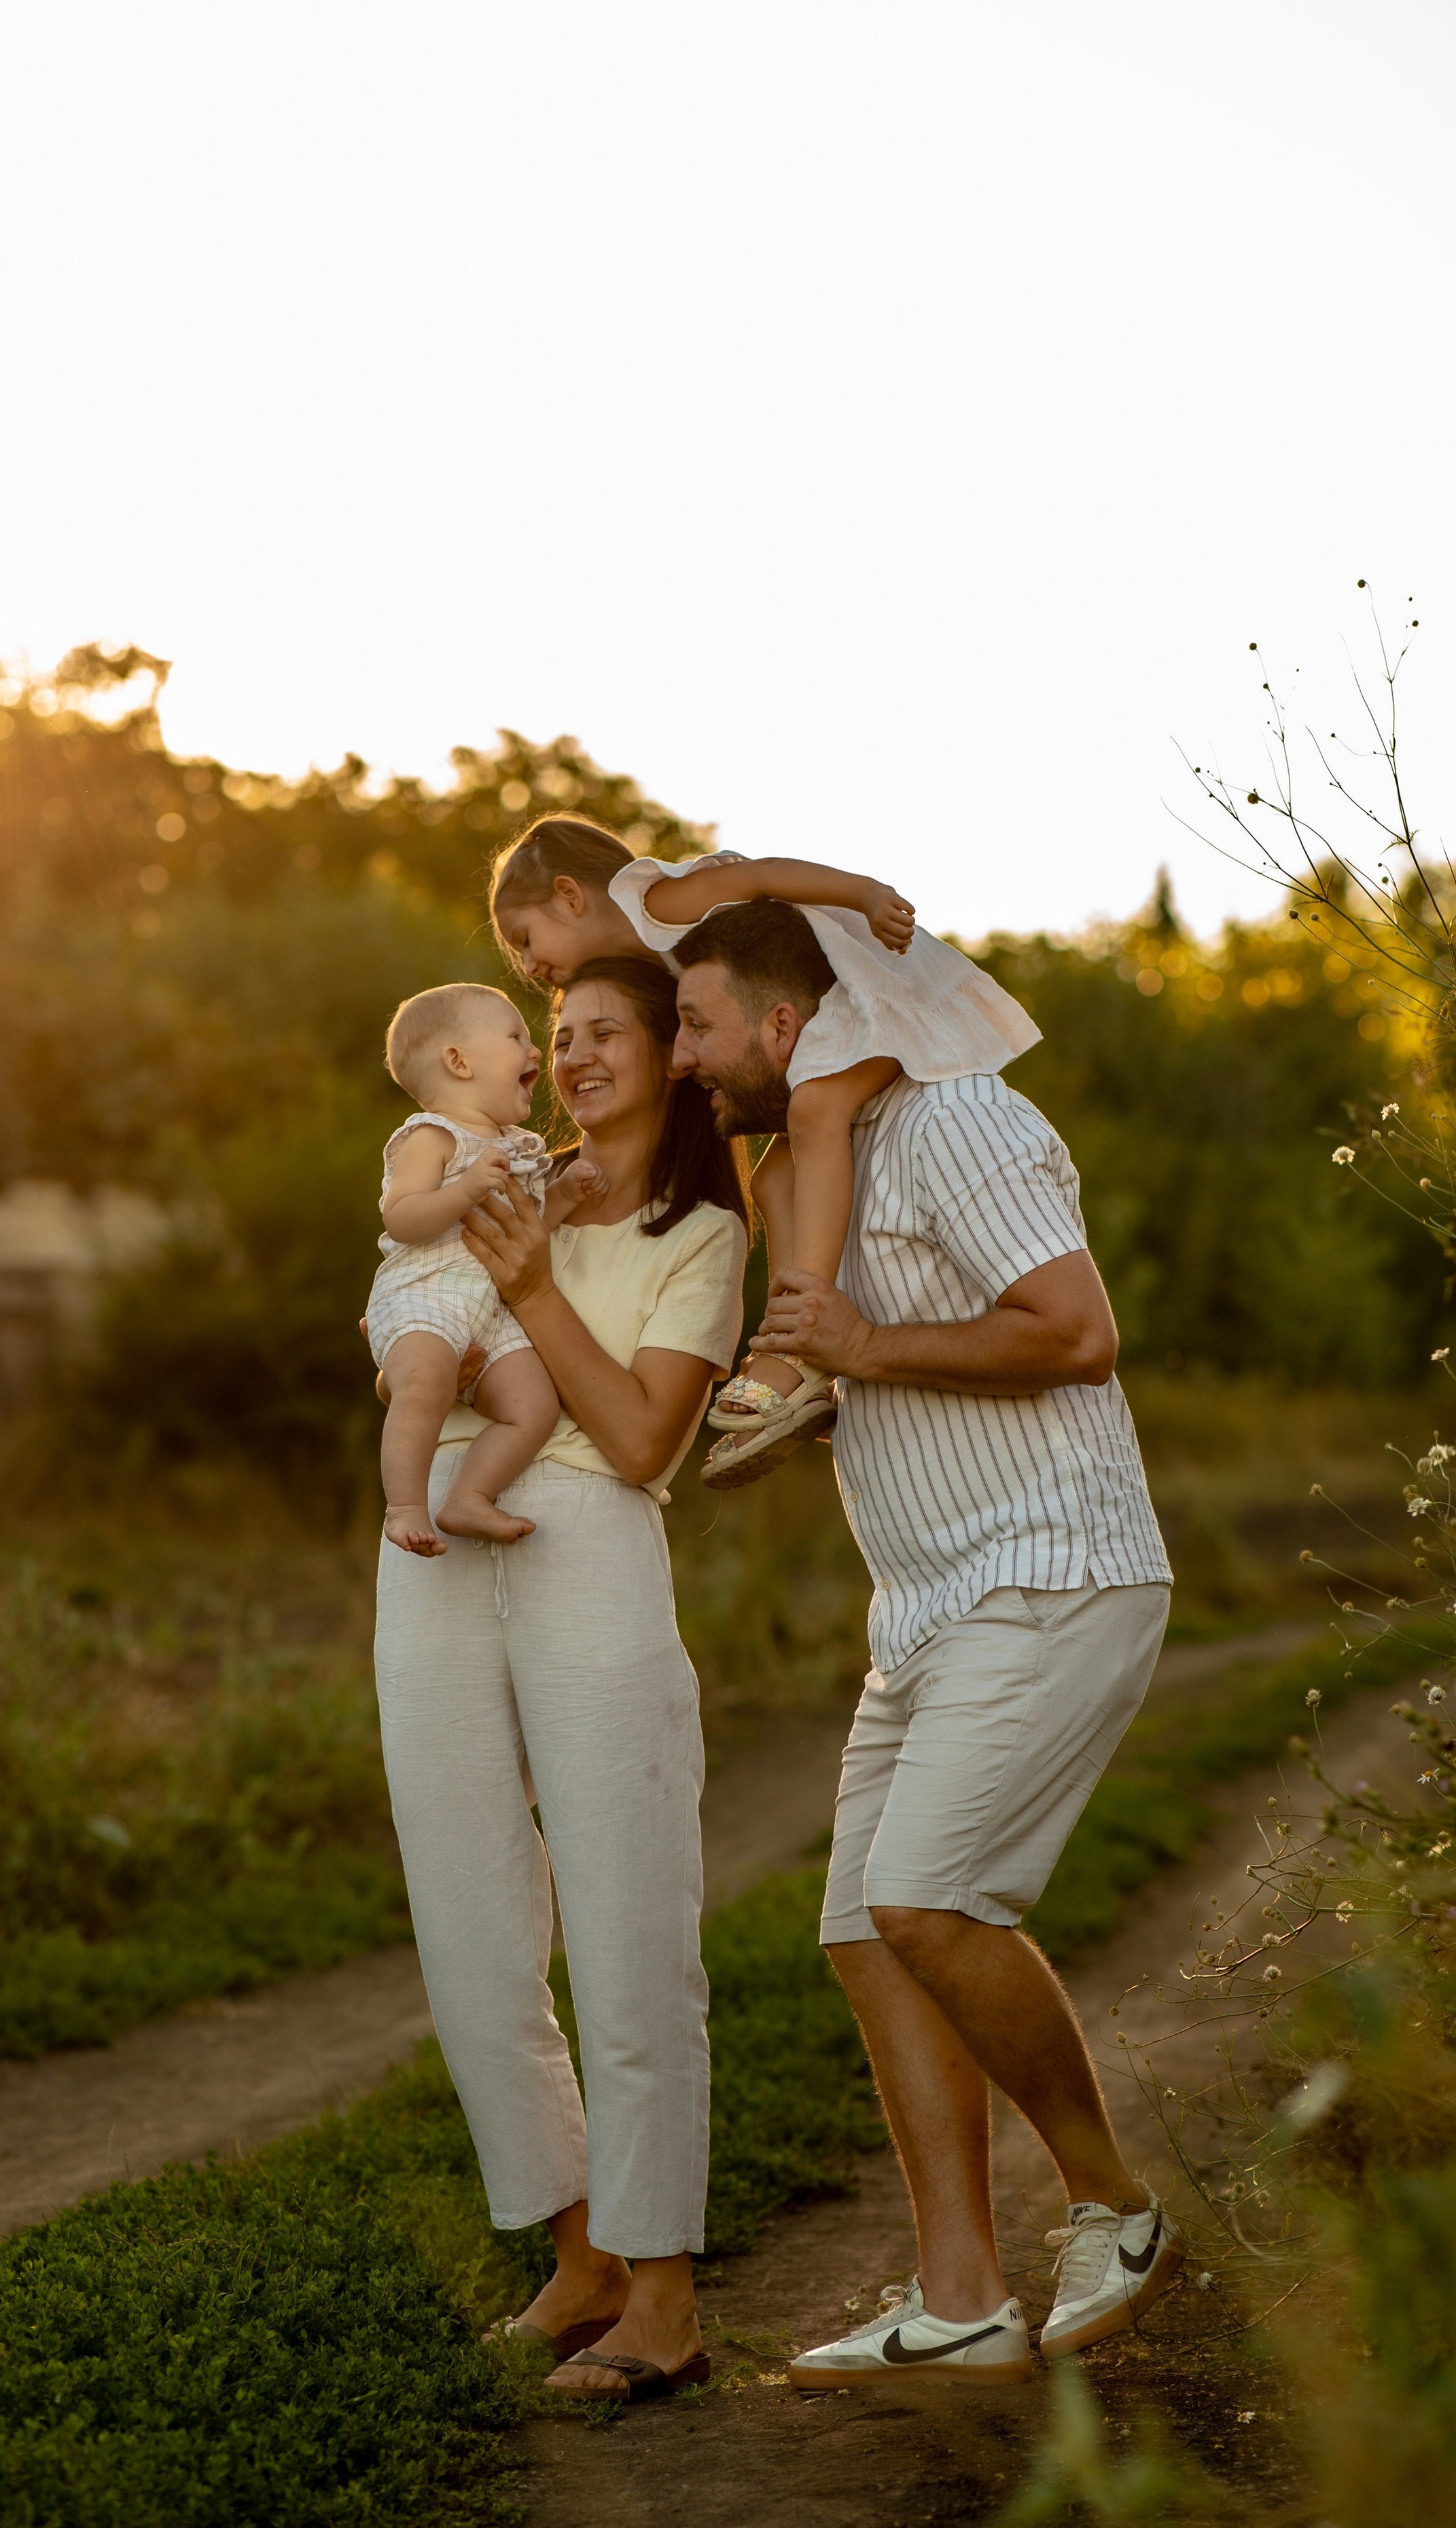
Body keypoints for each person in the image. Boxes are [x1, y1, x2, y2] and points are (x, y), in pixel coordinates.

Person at [668, 900, 1180, 2387]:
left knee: (931, 1905)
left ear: (784, 1025)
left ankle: (1114, 2205)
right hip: (927, 1608)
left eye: (698, 1025)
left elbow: (1074, 1333)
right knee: (863, 1938)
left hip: (1049, 1567)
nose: (686, 1055)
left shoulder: (955, 1120)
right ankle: (957, 2295)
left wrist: (857, 1350)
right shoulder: (812, 1169)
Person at [371, 955, 750, 2404]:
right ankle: (578, 2250)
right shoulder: (494, 1172)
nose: (575, 1054)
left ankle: (662, 2291)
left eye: (606, 1034)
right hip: (435, 1537)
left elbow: (645, 1436)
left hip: (590, 1532)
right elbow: (413, 1323)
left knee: (623, 1911)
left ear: (670, 1057)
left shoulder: (700, 1230)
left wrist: (525, 1294)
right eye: (557, 1034)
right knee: (467, 1914)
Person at [489, 811, 1040, 1488]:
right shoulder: (656, 966)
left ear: (570, 896)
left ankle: (801, 1345)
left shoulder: (653, 903)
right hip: (813, 1008)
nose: (526, 963)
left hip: (871, 994)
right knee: (776, 1176)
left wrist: (862, 892)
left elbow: (763, 874)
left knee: (816, 1107)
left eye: (525, 937)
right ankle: (794, 1359)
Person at [365, 982, 601, 1555]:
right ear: (458, 1061)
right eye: (517, 1036)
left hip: (490, 1310)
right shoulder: (432, 1136)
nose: (537, 1051)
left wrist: (563, 1197)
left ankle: (469, 1495)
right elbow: (401, 1218)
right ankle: (404, 1507)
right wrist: (465, 1188)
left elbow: (521, 1236)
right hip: (423, 1296)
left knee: (535, 1406)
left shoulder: (520, 1148)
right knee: (423, 1385)